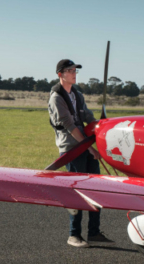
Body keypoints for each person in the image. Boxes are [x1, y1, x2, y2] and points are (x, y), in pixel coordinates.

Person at [48, 59, 114, 248]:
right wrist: (91, 148)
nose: (74, 73)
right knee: (77, 192)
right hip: (71, 148)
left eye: (75, 70)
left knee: (95, 188)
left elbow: (86, 116)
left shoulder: (77, 93)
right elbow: (70, 126)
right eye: (70, 70)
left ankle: (94, 232)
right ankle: (74, 235)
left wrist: (102, 126)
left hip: (84, 145)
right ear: (60, 74)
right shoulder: (56, 98)